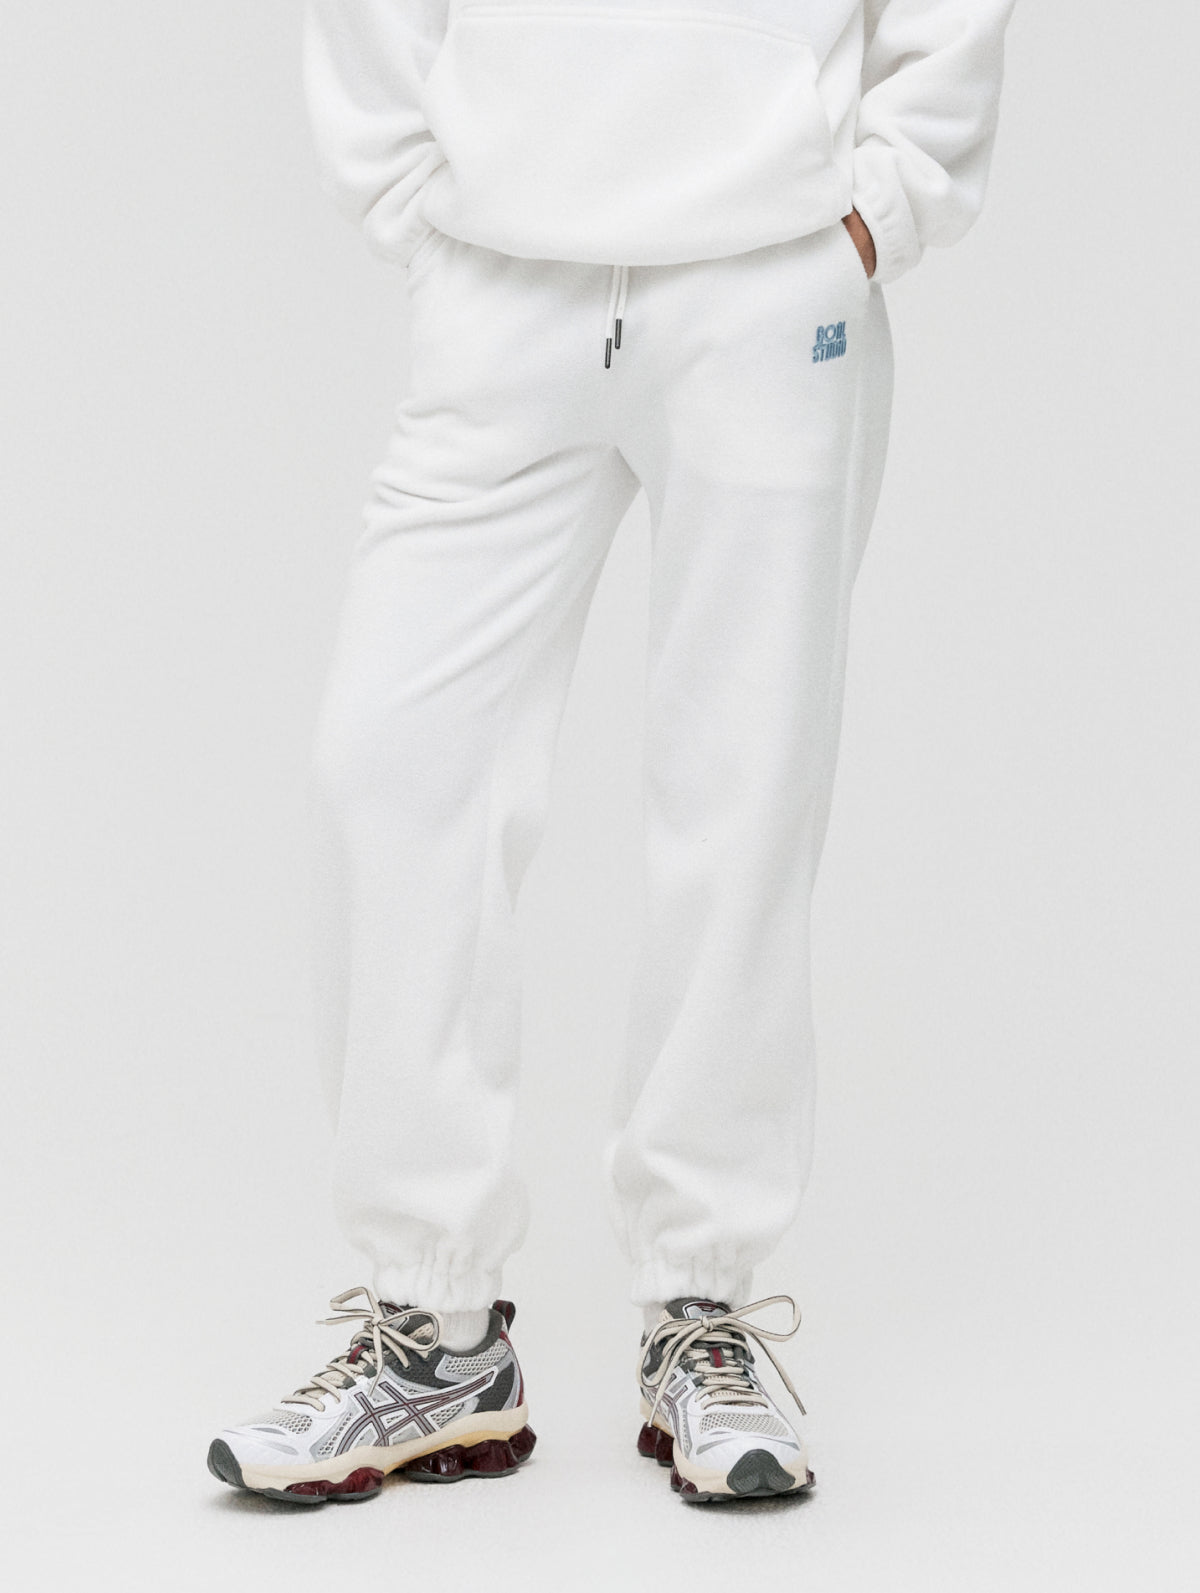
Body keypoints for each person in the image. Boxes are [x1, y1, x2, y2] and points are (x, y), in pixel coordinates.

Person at [208, 0, 1015, 1506]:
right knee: (390, 767)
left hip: (774, 279)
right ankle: (432, 1324)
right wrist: (416, 195)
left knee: (743, 793)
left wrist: (886, 198)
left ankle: (698, 1301)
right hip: (501, 279)